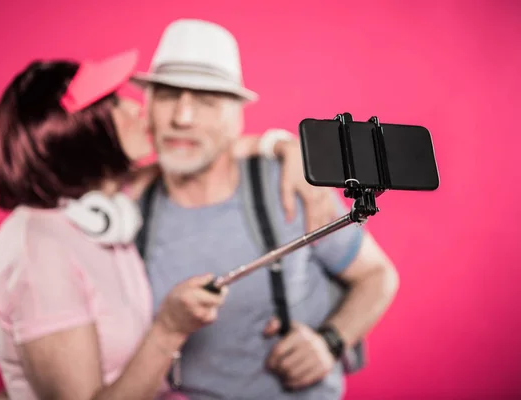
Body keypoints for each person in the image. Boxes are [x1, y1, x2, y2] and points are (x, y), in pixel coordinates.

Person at [0, 49, 327, 400]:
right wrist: (168, 329)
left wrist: (281, 145)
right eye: (114, 103)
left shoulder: (104, 207)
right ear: (78, 131)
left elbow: (205, 150)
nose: (135, 108)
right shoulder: (39, 250)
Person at [130, 19, 400, 399]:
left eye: (206, 100)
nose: (182, 118)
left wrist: (330, 342)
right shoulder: (126, 208)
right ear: (149, 106)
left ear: (235, 115)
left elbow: (377, 275)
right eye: (168, 96)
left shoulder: (286, 187)